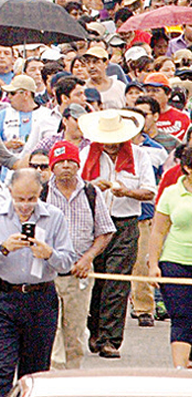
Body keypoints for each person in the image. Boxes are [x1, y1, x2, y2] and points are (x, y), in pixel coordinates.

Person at [0, 169, 75, 397]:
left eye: (32, 199)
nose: (25, 205)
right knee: (1, 368)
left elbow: (67, 262)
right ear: (9, 191)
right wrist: (3, 248)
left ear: (40, 192)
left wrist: (49, 254)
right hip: (2, 298)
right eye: (19, 199)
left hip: (40, 300)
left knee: (35, 373)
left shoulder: (54, 216)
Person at [78, 109, 156, 358]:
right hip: (94, 225)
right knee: (96, 280)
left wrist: (126, 192)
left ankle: (110, 338)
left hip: (125, 223)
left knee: (118, 281)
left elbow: (149, 192)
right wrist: (92, 187)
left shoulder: (139, 156)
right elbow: (75, 188)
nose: (110, 145)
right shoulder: (86, 155)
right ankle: (95, 331)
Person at [41, 141, 114, 370]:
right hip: (47, 274)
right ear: (52, 166)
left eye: (70, 161)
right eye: (60, 162)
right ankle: (53, 377)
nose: (65, 166)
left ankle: (72, 378)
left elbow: (105, 232)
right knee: (51, 333)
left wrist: (88, 258)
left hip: (79, 275)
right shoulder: (41, 194)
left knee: (75, 333)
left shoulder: (91, 193)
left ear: (78, 165)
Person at [147, 146, 192, 369]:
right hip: (175, 262)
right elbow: (158, 231)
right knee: (182, 316)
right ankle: (180, 370)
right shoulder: (172, 193)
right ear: (187, 168)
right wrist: (153, 265)